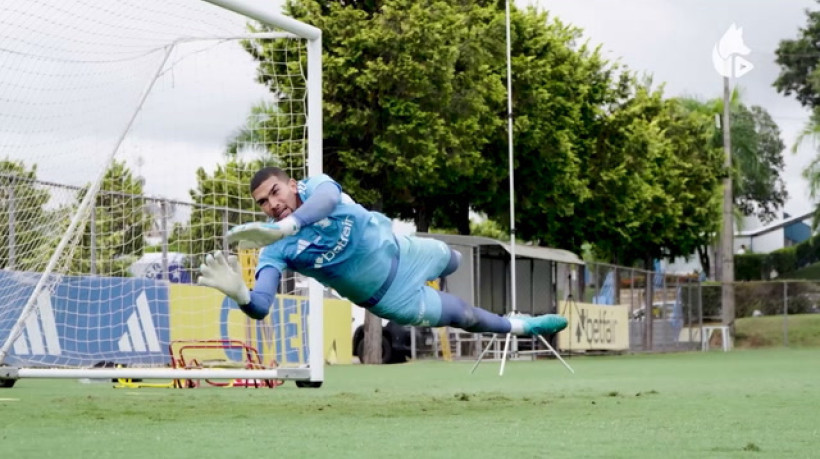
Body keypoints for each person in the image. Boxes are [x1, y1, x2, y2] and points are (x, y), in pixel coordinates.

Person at [197, 167, 568, 337]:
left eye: (276, 192)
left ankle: (448, 267)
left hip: (405, 251)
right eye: (263, 202)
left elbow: (327, 201)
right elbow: (261, 306)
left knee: (453, 258)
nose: (272, 204)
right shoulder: (275, 249)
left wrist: (287, 225)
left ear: (292, 184)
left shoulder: (317, 186)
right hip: (391, 296)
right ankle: (522, 326)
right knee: (465, 316)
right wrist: (241, 294)